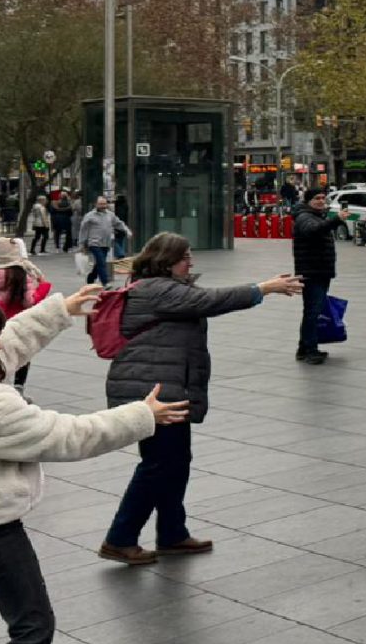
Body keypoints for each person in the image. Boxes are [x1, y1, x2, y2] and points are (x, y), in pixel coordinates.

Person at [0, 290, 190, 644]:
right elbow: (69, 436)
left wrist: (58, 310)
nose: (1, 342)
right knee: (32, 627)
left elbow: (8, 345)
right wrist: (141, 416)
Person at [99, 233, 301, 564]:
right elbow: (208, 301)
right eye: (184, 257)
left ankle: (172, 533)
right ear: (165, 260)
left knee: (174, 463)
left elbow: (196, 296)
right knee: (159, 465)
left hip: (161, 385)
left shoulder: (160, 285)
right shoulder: (157, 289)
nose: (190, 262)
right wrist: (262, 288)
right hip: (155, 389)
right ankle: (120, 538)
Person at [0, 239, 52, 395]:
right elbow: (30, 300)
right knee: (22, 353)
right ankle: (18, 386)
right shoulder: (19, 274)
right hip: (20, 321)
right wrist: (44, 286)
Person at [292, 190, 341, 365]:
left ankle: (304, 348)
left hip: (319, 270)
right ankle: (310, 350)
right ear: (308, 201)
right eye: (317, 199)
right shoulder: (305, 217)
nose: (321, 201)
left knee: (313, 311)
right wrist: (335, 220)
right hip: (312, 271)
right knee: (313, 312)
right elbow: (312, 231)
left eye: (323, 198)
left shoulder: (315, 215)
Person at [76, 196, 129, 288]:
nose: (103, 206)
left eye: (104, 204)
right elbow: (83, 230)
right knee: (101, 262)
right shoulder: (90, 215)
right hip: (94, 243)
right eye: (101, 204)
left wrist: (127, 231)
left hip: (106, 243)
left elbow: (118, 223)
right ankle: (105, 282)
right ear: (96, 204)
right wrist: (81, 243)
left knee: (100, 262)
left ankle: (91, 277)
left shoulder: (110, 215)